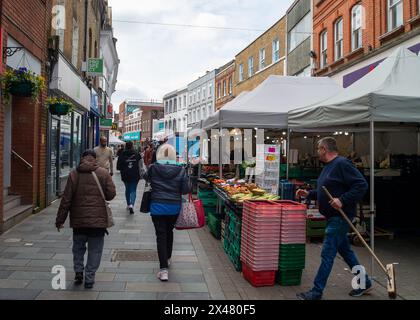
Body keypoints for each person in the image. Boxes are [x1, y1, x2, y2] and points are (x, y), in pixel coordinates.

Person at [296, 137, 371, 300]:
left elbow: (361, 185)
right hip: (332, 217)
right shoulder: (328, 167)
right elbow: (325, 190)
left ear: (324, 149)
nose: (317, 153)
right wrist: (309, 193)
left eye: (318, 149)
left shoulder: (342, 164)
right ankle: (365, 282)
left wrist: (342, 200)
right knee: (346, 252)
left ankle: (316, 291)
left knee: (327, 254)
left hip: (340, 218)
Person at [55, 150, 116, 289]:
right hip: (98, 222)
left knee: (78, 248)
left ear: (82, 158)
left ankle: (78, 271)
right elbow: (111, 194)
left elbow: (66, 200)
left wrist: (60, 220)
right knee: (95, 250)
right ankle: (89, 278)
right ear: (95, 159)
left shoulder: (74, 174)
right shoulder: (103, 173)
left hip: (79, 221)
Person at [145, 144, 190, 281]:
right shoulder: (181, 170)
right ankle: (168, 258)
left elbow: (145, 177)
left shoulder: (153, 168)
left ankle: (163, 269)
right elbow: (185, 190)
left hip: (157, 206)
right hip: (173, 207)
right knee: (169, 232)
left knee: (160, 235)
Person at [117, 141, 142, 214]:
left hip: (125, 175)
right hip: (135, 174)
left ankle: (128, 204)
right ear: (132, 146)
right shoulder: (137, 154)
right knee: (133, 190)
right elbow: (140, 165)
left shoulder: (122, 154)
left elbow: (118, 167)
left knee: (127, 189)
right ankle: (132, 205)